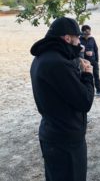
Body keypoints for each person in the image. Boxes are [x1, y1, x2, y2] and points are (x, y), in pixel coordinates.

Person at [30, 17, 95, 181]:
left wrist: (75, 64)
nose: (79, 41)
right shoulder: (58, 64)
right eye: (77, 37)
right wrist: (87, 74)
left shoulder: (42, 57)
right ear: (67, 38)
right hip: (66, 140)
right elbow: (84, 101)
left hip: (52, 133)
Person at [80, 25, 100, 97]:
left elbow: (96, 50)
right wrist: (85, 53)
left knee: (96, 76)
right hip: (84, 62)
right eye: (86, 32)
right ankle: (85, 91)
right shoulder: (79, 40)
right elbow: (77, 52)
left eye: (89, 32)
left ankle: (99, 91)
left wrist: (97, 60)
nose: (88, 34)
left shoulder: (92, 39)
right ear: (83, 32)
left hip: (94, 61)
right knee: (85, 77)